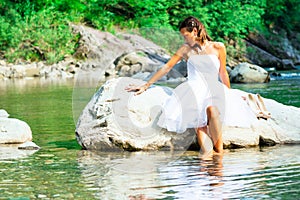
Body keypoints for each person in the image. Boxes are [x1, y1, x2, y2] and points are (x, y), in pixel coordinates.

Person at [126, 16, 256, 155]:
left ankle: (219, 156)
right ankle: (209, 161)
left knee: (213, 110)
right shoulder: (185, 49)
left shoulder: (218, 47)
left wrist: (229, 93)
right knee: (199, 126)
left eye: (185, 35)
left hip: (214, 88)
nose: (184, 39)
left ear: (195, 31)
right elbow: (167, 67)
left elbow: (223, 72)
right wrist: (146, 85)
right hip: (193, 90)